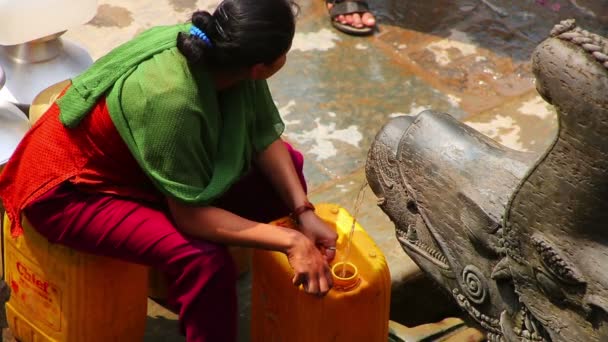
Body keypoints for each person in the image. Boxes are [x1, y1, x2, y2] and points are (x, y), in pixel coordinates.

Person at [0, 0, 338, 341]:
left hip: (139, 166)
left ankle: (178, 291)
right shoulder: (174, 100)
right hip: (72, 189)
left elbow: (262, 132)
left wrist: (302, 210)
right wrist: (291, 240)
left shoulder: (221, 49)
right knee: (204, 261)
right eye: (284, 53)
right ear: (262, 67)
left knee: (284, 170)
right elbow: (189, 216)